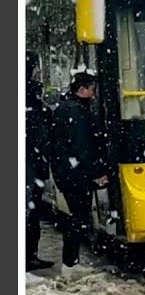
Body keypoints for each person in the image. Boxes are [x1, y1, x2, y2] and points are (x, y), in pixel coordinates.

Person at [50, 71, 108, 272]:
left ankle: (71, 262)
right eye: (92, 89)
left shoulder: (67, 108)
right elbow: (84, 148)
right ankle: (70, 263)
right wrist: (98, 172)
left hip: (68, 172)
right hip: (75, 174)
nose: (94, 94)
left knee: (77, 217)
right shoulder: (77, 112)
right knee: (78, 218)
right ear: (82, 90)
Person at [25, 52, 54, 271]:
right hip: (29, 166)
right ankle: (28, 257)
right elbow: (39, 136)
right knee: (29, 213)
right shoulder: (30, 98)